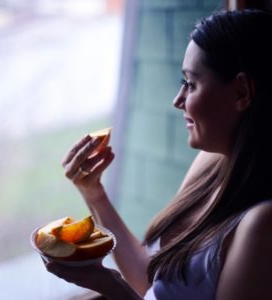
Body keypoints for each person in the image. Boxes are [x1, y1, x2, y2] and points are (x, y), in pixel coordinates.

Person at [44, 9, 272, 300]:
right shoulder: (211, 164)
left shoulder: (263, 223)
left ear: (242, 92)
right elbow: (152, 282)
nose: (178, 101)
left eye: (190, 84)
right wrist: (94, 192)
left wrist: (113, 289)